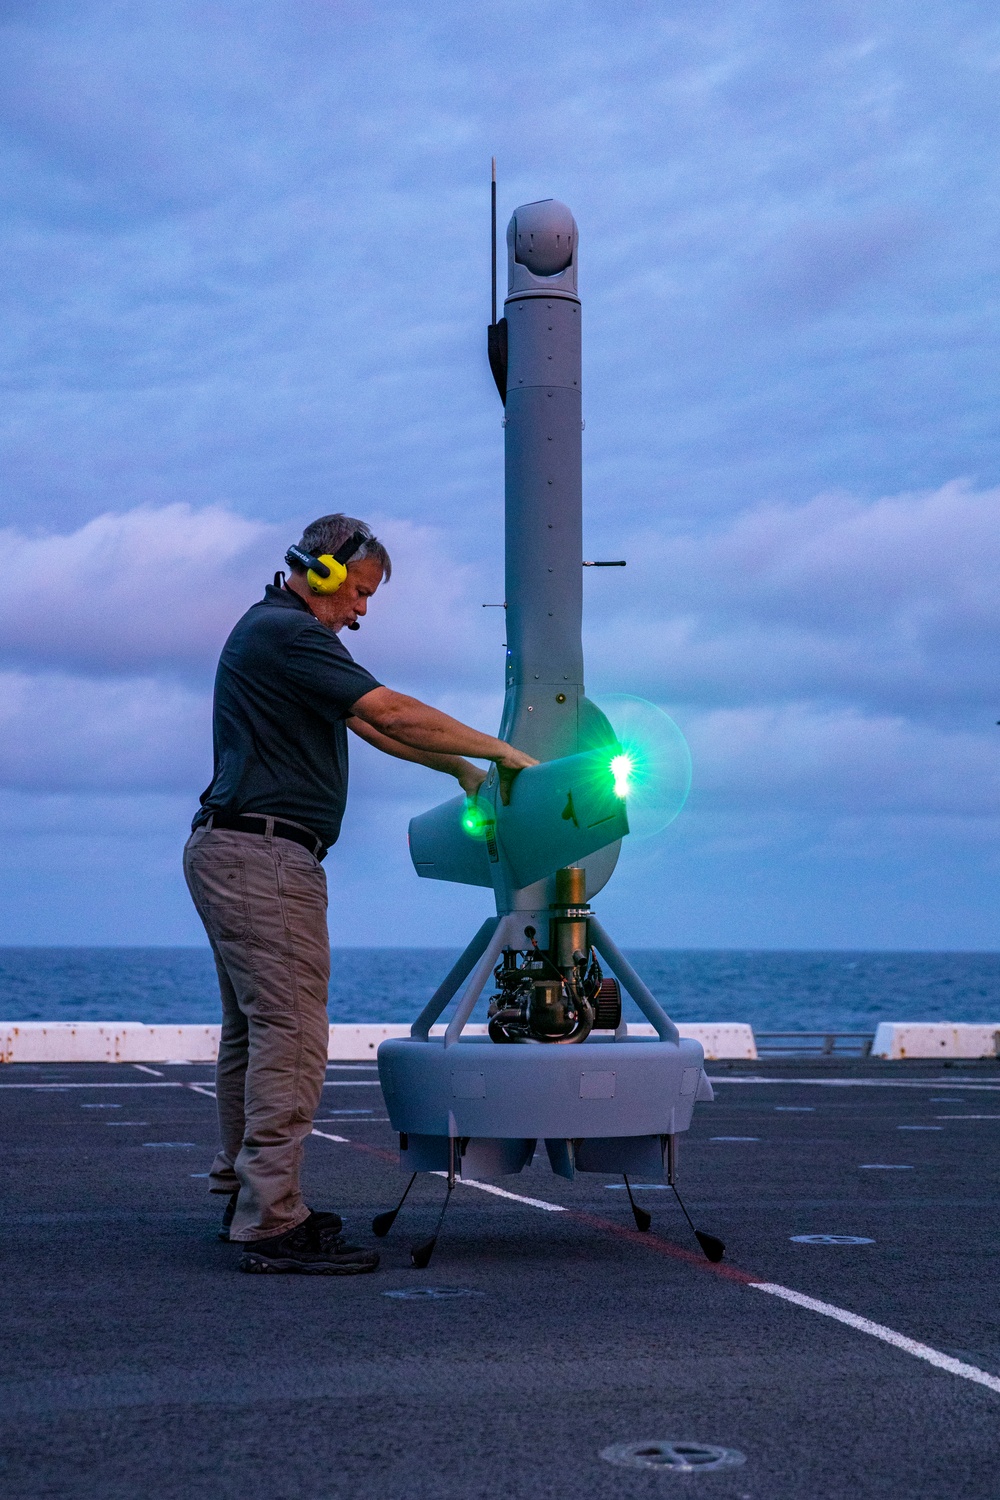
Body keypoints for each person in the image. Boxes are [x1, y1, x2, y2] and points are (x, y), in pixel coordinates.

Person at [183, 512, 536, 1274]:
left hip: (237, 847)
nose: (362, 612)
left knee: (255, 1034)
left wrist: (459, 771)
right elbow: (389, 709)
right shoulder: (289, 634)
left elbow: (371, 728)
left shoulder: (280, 636)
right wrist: (503, 750)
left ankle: (244, 1197)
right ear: (322, 573)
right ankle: (271, 1221)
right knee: (293, 1036)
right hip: (265, 854)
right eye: (359, 594)